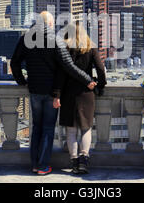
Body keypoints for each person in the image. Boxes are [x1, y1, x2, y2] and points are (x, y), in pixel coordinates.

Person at [10, 12, 96, 176]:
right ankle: (42, 166)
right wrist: (87, 80)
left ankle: (35, 164)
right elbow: (69, 66)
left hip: (34, 89)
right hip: (51, 92)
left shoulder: (26, 38)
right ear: (50, 24)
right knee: (48, 128)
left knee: (37, 127)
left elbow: (14, 62)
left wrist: (21, 80)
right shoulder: (56, 40)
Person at [54, 22, 106, 175]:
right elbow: (100, 68)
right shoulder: (90, 48)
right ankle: (84, 160)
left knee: (71, 130)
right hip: (86, 93)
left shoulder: (65, 50)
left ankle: (74, 161)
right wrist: (100, 85)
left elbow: (60, 75)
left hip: (68, 93)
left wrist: (57, 95)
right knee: (86, 128)